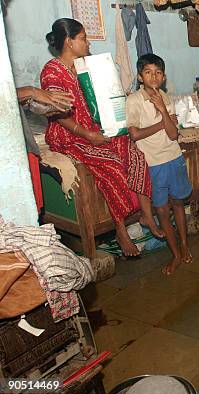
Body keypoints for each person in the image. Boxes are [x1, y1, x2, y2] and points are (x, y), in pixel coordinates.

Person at [41, 18, 162, 257]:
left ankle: (146, 215)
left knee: (133, 152)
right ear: (69, 42)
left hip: (94, 127)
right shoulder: (52, 71)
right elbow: (56, 113)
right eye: (83, 38)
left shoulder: (87, 66)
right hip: (69, 134)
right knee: (112, 164)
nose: (87, 43)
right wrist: (87, 134)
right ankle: (120, 229)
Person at [126, 53, 192, 275]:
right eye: (148, 72)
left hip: (173, 157)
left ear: (163, 77)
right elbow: (134, 134)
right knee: (162, 211)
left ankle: (184, 247)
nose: (153, 77)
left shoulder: (165, 96)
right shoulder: (134, 100)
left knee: (178, 205)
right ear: (140, 76)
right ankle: (175, 255)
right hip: (154, 163)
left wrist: (163, 110)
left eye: (158, 73)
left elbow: (173, 135)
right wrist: (163, 124)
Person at [16, 86, 75, 214]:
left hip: (23, 145)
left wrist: (36, 105)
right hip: (10, 153)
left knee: (32, 210)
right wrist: (31, 92)